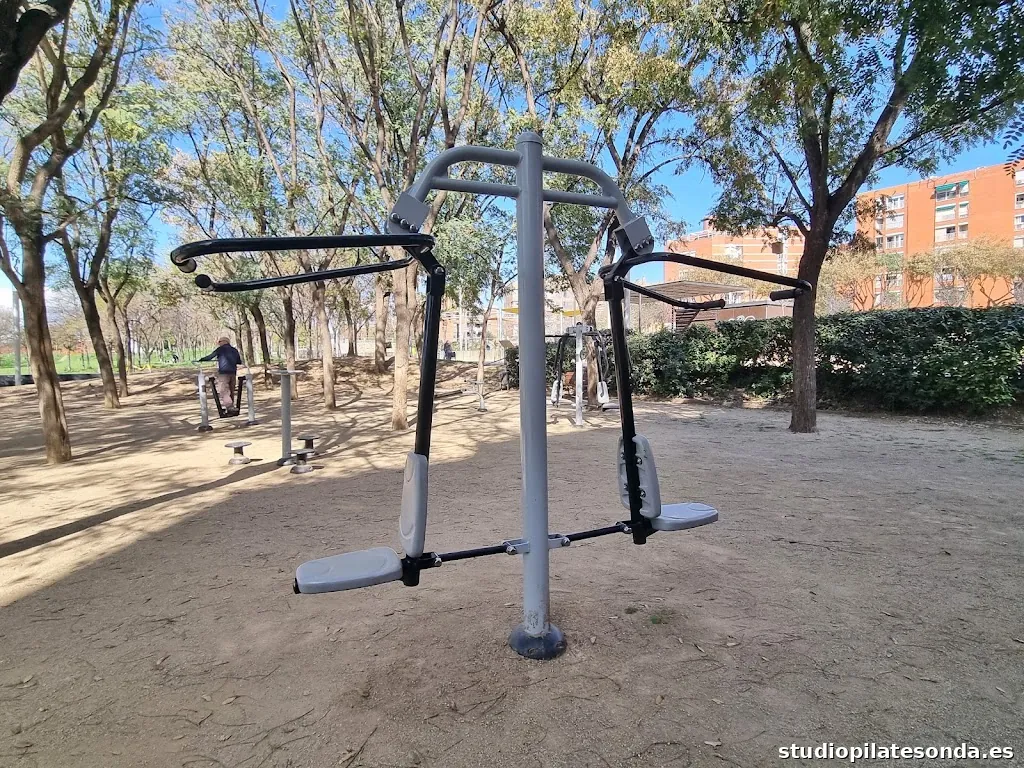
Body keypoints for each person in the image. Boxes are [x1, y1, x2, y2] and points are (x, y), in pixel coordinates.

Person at [199, 336, 243, 415]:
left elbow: (210, 357)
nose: (219, 344)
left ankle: (229, 406)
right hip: (233, 372)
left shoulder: (220, 349)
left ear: (223, 342)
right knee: (230, 391)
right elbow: (239, 361)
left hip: (224, 372)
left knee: (222, 390)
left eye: (219, 342)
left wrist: (201, 359)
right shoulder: (234, 350)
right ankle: (231, 409)